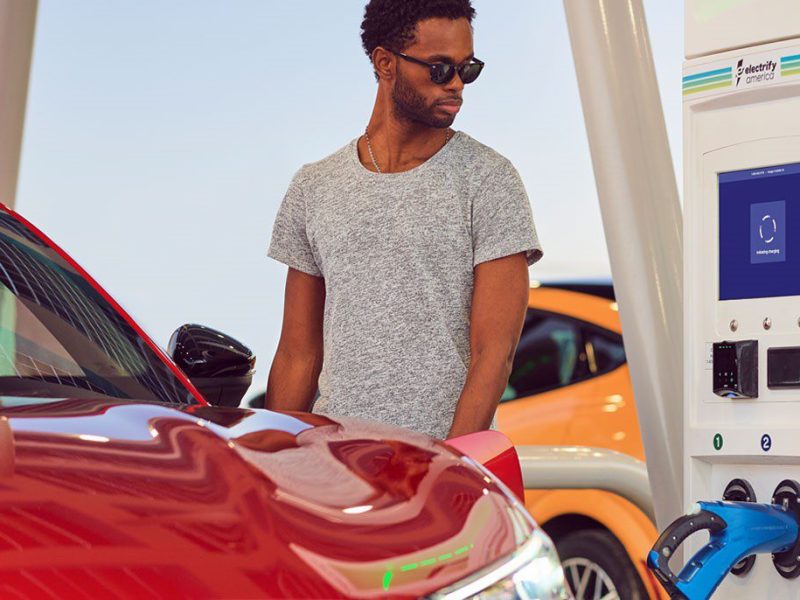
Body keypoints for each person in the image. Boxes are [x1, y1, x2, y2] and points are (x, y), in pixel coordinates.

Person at [265, 0, 542, 440]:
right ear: (385, 63)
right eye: (440, 69)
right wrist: (271, 459)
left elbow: (494, 353)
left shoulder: (489, 180)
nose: (456, 84)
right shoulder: (314, 187)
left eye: (467, 69)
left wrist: (452, 465)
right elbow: (298, 354)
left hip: (440, 464)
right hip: (335, 461)